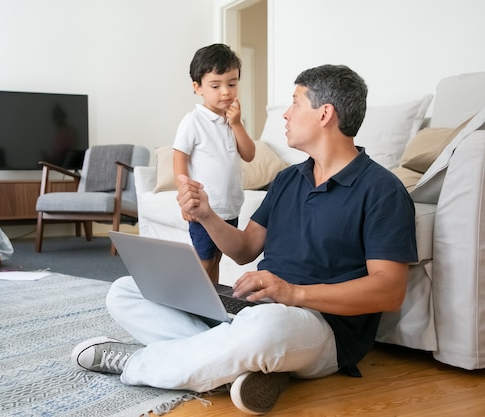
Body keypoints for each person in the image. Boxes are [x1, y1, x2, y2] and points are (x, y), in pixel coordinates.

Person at [71, 64, 417, 415]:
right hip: (255, 309)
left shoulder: (381, 190)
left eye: (295, 103)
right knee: (126, 290)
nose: (286, 113)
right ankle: (247, 368)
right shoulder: (288, 181)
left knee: (266, 325)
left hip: (321, 325)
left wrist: (293, 294)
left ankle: (138, 364)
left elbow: (389, 291)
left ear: (325, 113)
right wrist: (206, 214)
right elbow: (244, 249)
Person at [173, 43, 255, 284]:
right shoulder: (193, 121)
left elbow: (249, 154)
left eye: (232, 83)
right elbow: (179, 157)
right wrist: (185, 197)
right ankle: (189, 301)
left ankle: (213, 303)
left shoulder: (233, 119)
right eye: (215, 85)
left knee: (216, 259)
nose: (225, 92)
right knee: (204, 260)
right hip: (204, 209)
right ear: (197, 87)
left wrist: (237, 124)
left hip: (229, 207)